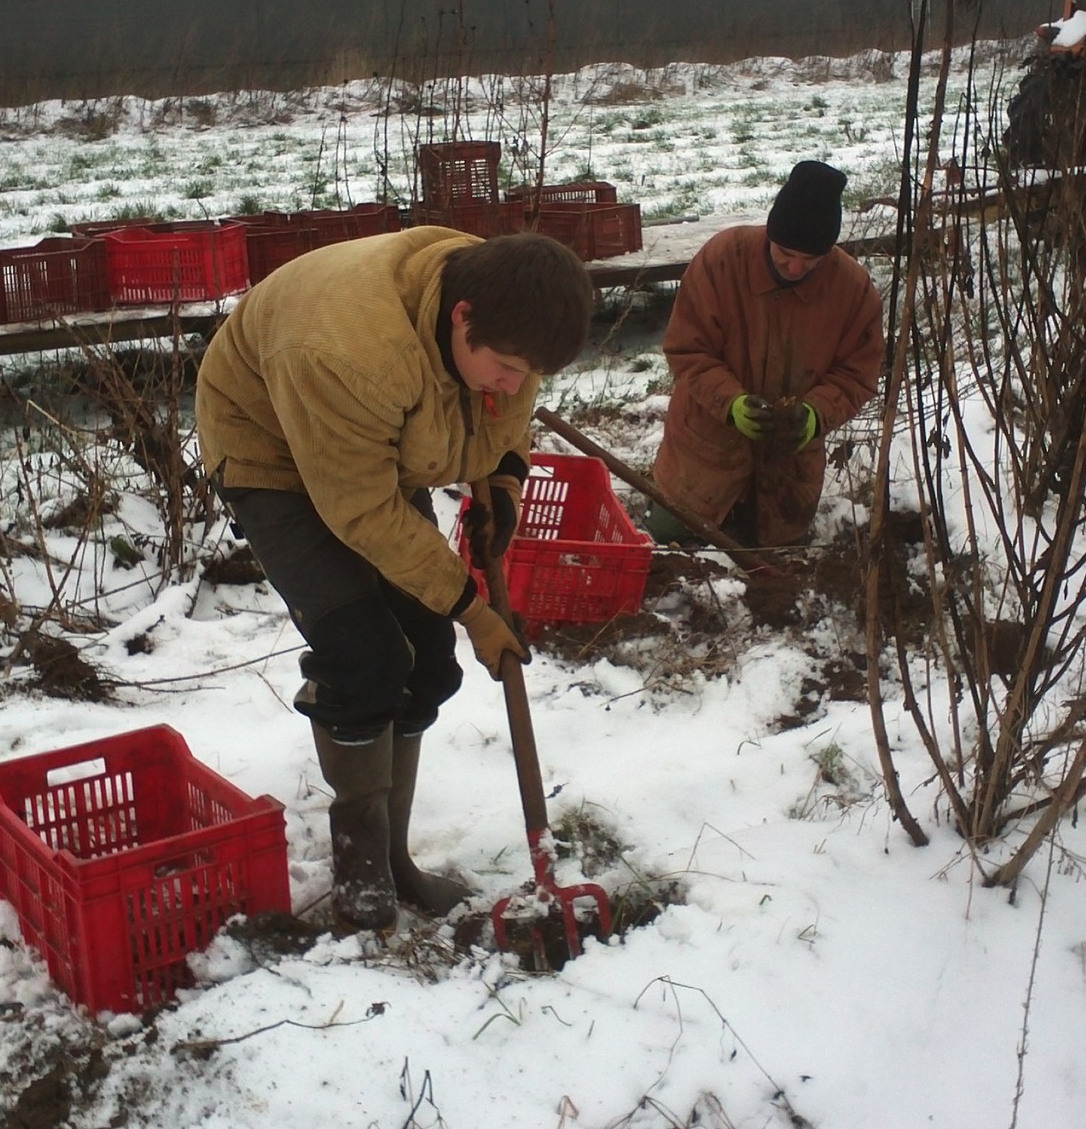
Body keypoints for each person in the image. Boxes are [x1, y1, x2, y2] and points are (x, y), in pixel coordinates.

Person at [196, 227, 595, 935]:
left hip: (368, 448)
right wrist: (473, 607)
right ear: (461, 317)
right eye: (503, 366)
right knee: (364, 654)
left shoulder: (512, 307)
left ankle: (395, 853)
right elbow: (364, 510)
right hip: (274, 450)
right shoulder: (351, 353)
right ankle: (361, 870)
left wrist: (504, 476)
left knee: (429, 660)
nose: (512, 382)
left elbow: (506, 410)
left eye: (525, 372)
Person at [650, 160, 883, 548]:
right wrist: (731, 403)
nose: (795, 267)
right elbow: (688, 348)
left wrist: (813, 414)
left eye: (810, 261)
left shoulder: (853, 291)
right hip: (704, 450)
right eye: (785, 253)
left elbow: (857, 374)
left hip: (788, 465)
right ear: (769, 234)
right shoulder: (721, 260)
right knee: (669, 539)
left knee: (774, 557)